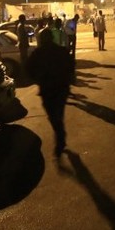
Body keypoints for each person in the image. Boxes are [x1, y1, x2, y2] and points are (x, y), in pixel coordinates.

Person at [25, 28, 74, 159]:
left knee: (53, 115)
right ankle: (60, 136)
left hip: (48, 89)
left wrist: (38, 79)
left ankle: (60, 139)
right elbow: (71, 66)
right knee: (57, 114)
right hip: (59, 88)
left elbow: (28, 69)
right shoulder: (60, 51)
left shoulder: (39, 53)